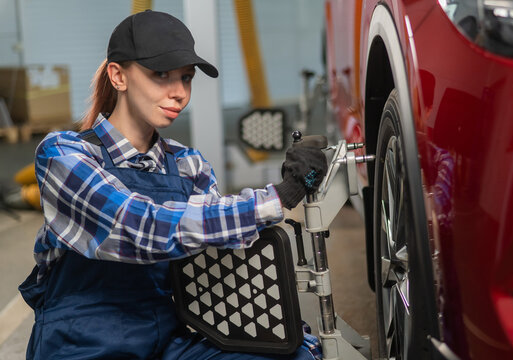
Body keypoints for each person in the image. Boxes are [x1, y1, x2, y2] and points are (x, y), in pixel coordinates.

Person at [18, 10, 327, 360]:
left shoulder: (187, 164)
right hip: (82, 344)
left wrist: (287, 336)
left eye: (186, 77)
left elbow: (218, 262)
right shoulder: (65, 153)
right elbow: (138, 225)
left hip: (168, 342)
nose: (179, 92)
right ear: (118, 76)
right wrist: (275, 198)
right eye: (161, 74)